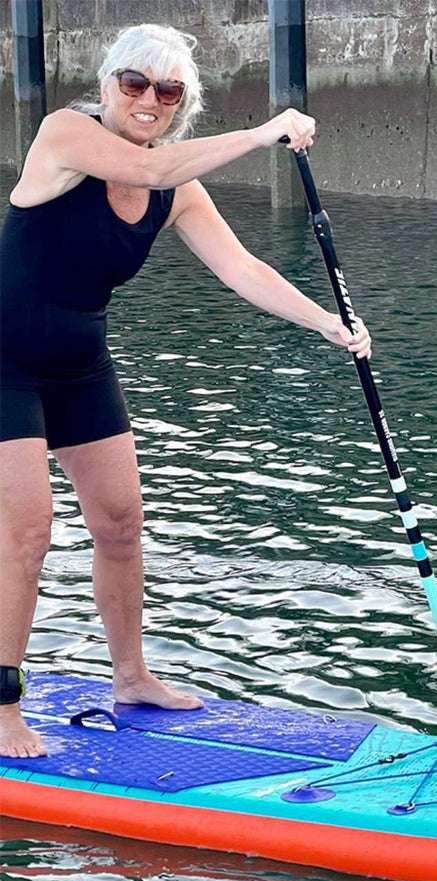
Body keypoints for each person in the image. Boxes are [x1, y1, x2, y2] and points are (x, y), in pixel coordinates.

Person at [0, 24, 372, 757]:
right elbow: (153, 167)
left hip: (80, 366)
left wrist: (327, 322)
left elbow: (243, 270)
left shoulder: (177, 191)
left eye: (167, 91)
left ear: (181, 103)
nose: (149, 99)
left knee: (120, 524)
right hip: (3, 362)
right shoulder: (63, 136)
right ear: (107, 85)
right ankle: (2, 704)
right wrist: (262, 132)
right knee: (27, 531)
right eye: (134, 83)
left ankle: (132, 677)